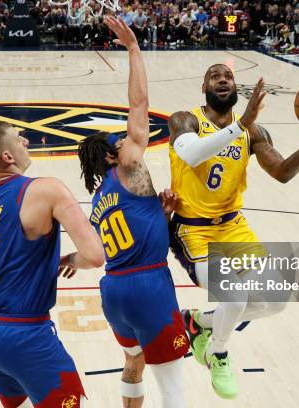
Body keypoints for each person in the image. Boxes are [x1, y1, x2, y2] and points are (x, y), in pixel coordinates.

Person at [167, 65, 299, 399]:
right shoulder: (184, 120)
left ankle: (198, 322)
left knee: (275, 301)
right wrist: (239, 125)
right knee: (234, 298)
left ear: (237, 87)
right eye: (215, 76)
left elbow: (281, 171)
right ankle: (217, 352)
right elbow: (191, 154)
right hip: (192, 230)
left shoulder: (254, 132)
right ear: (203, 85)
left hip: (233, 228)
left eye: (229, 76)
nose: (223, 79)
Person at [0, 121, 104, 408]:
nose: (26, 141)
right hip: (24, 334)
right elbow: (95, 256)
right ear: (8, 156)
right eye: (19, 138)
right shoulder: (48, 191)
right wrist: (66, 260)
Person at [77, 16, 189, 408]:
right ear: (112, 155)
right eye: (121, 140)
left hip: (114, 292)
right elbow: (140, 105)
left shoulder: (99, 201)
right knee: (173, 383)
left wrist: (161, 215)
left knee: (133, 362)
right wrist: (133, 48)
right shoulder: (129, 166)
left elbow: (118, 241)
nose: (130, 139)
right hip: (149, 286)